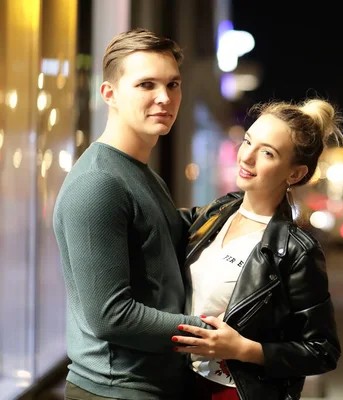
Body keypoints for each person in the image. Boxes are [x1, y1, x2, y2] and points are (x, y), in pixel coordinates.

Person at [53, 28, 210, 400]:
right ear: (110, 94)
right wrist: (206, 332)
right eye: (146, 85)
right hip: (114, 390)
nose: (164, 98)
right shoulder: (98, 182)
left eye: (173, 84)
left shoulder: (139, 172)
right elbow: (112, 315)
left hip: (151, 385)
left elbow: (173, 229)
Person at [172, 99, 343, 400]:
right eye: (247, 141)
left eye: (267, 152)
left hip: (236, 392)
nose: (247, 157)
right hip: (183, 383)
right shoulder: (217, 213)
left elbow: (322, 350)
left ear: (295, 173)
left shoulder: (294, 250)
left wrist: (243, 349)